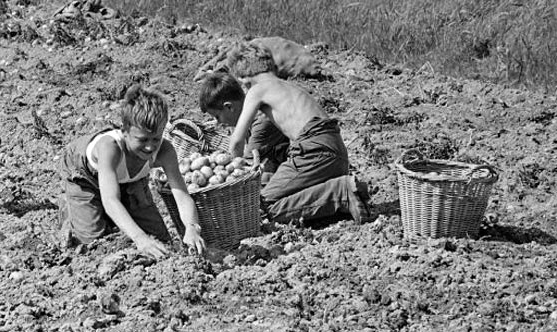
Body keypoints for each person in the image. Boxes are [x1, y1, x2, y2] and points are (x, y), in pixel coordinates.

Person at [199, 44, 368, 225]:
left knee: (262, 207)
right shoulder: (284, 86)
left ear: (243, 79)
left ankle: (340, 192)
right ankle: (343, 196)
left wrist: (230, 176)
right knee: (289, 197)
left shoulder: (257, 90)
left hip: (313, 150)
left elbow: (236, 143)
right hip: (336, 152)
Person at [59, 84, 205, 259]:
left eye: (156, 138)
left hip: (129, 177)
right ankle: (71, 212)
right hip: (85, 175)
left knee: (161, 243)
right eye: (142, 139)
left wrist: (192, 227)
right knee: (93, 244)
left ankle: (115, 215)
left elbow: (181, 195)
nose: (150, 146)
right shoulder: (110, 148)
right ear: (124, 132)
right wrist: (140, 238)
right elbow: (111, 199)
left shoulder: (165, 152)